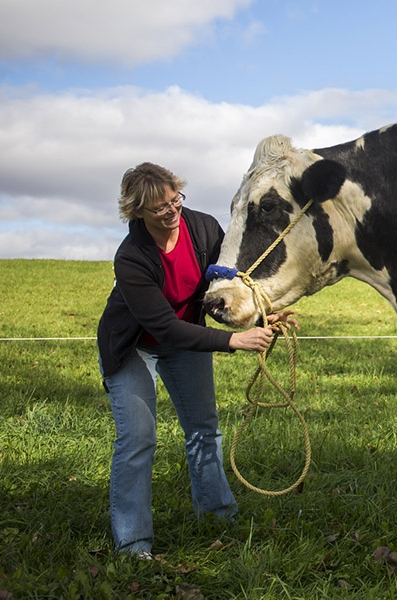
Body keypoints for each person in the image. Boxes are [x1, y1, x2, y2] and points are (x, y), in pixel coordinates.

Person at [96, 162, 294, 559]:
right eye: (159, 208)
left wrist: (259, 315)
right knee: (138, 440)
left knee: (204, 429)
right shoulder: (131, 258)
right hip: (133, 346)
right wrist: (233, 340)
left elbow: (223, 283)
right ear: (137, 212)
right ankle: (133, 544)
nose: (172, 212)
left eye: (175, 200)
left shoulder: (202, 227)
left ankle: (218, 517)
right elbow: (165, 329)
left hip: (187, 340)